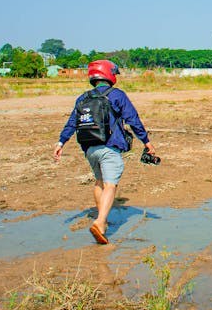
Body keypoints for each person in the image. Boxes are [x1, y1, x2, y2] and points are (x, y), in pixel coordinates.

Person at [53, 59, 156, 244]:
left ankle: (102, 221)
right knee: (110, 185)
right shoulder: (117, 95)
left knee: (99, 182)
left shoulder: (83, 98)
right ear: (109, 74)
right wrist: (147, 142)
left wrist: (61, 142)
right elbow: (133, 119)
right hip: (109, 148)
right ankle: (100, 222)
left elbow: (71, 123)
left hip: (90, 149)